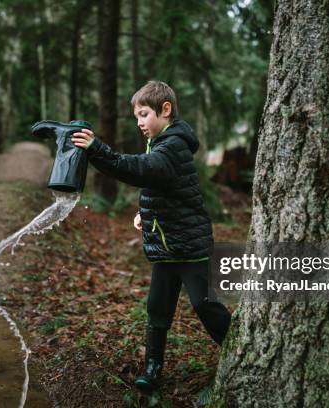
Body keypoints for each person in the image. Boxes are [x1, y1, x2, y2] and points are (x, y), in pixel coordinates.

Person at [71, 81, 231, 391]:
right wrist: (146, 214)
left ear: (165, 109)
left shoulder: (173, 145)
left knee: (205, 305)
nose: (140, 122)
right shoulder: (160, 142)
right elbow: (168, 189)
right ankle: (153, 367)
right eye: (137, 117)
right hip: (166, 246)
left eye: (144, 114)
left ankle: (241, 351)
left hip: (190, 246)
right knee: (158, 308)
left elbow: (142, 171)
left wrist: (97, 149)